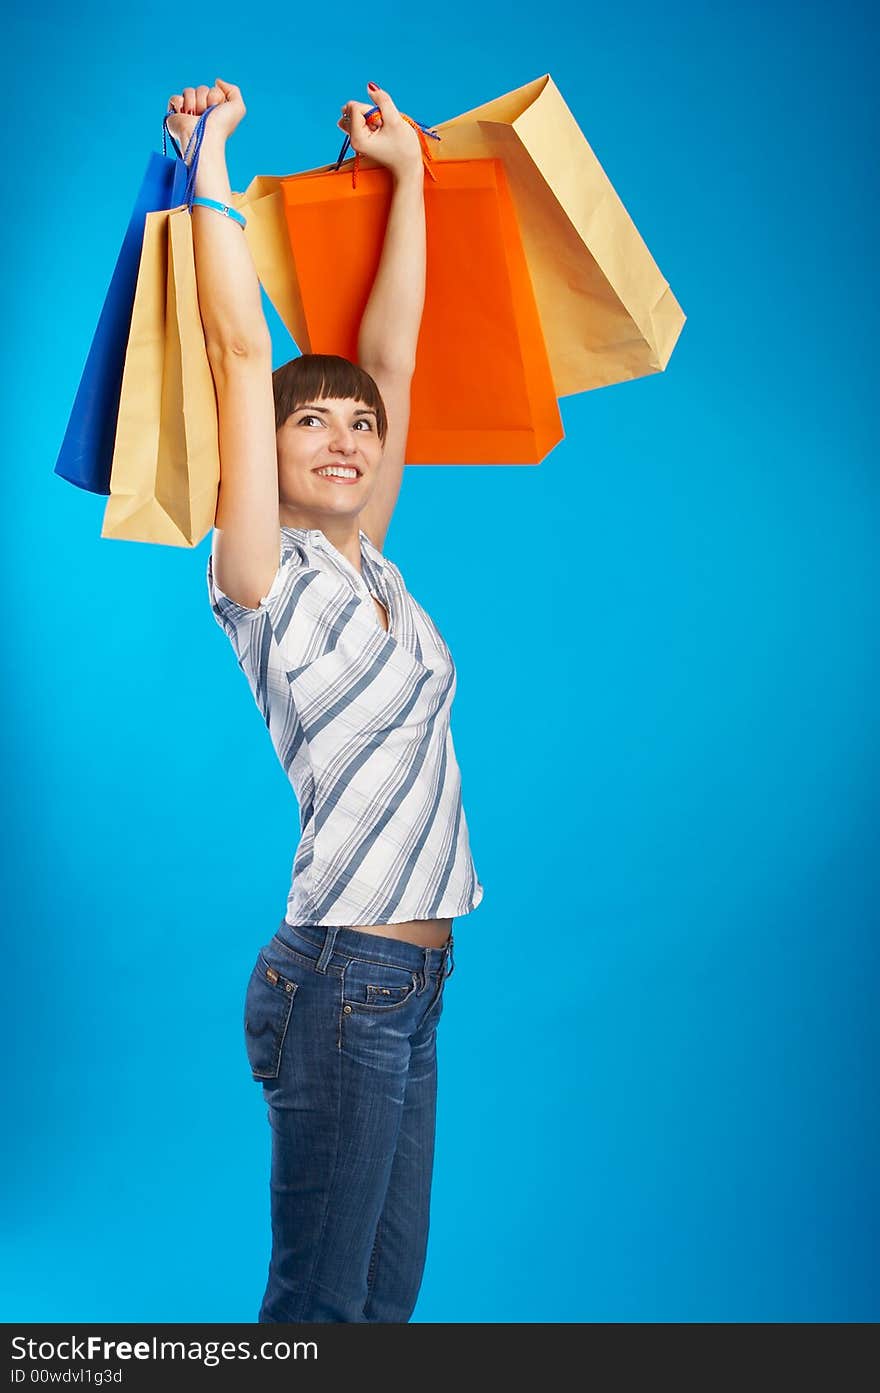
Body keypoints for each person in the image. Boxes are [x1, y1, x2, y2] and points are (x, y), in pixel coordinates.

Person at [166, 77, 484, 1323]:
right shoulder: (260, 571)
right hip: (340, 978)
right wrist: (208, 158)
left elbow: (390, 355)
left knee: (381, 1309)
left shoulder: (375, 564)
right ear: (272, 452)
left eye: (362, 425)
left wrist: (404, 176)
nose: (348, 437)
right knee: (317, 1317)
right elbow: (246, 350)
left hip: (411, 986)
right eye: (314, 425)